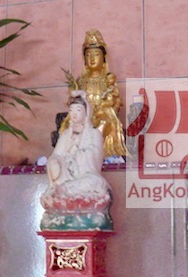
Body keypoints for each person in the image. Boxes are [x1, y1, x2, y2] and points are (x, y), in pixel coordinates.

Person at [41, 91, 113, 230]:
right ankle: (61, 191)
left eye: (78, 110)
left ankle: (63, 191)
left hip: (85, 176)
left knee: (97, 183)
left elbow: (96, 155)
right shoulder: (65, 135)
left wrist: (78, 155)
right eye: (71, 110)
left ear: (86, 113)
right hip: (66, 176)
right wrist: (58, 162)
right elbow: (57, 155)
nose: (74, 114)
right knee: (53, 162)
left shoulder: (93, 134)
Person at [62, 30, 128, 159]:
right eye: (88, 55)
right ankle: (77, 152)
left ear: (103, 58)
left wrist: (106, 108)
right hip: (83, 118)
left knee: (106, 121)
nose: (92, 58)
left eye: (96, 54)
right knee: (71, 124)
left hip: (102, 117)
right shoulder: (80, 82)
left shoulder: (108, 81)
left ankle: (94, 149)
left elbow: (115, 103)